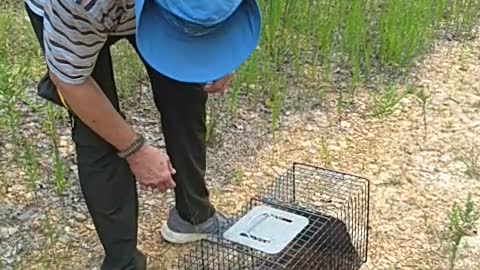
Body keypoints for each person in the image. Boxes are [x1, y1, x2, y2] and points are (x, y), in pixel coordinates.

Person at [23, 0, 261, 269]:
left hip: (155, 12)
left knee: (185, 96)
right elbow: (70, 82)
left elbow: (218, 14)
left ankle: (193, 216)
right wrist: (135, 150)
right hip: (77, 18)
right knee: (98, 135)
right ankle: (124, 262)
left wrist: (216, 55)